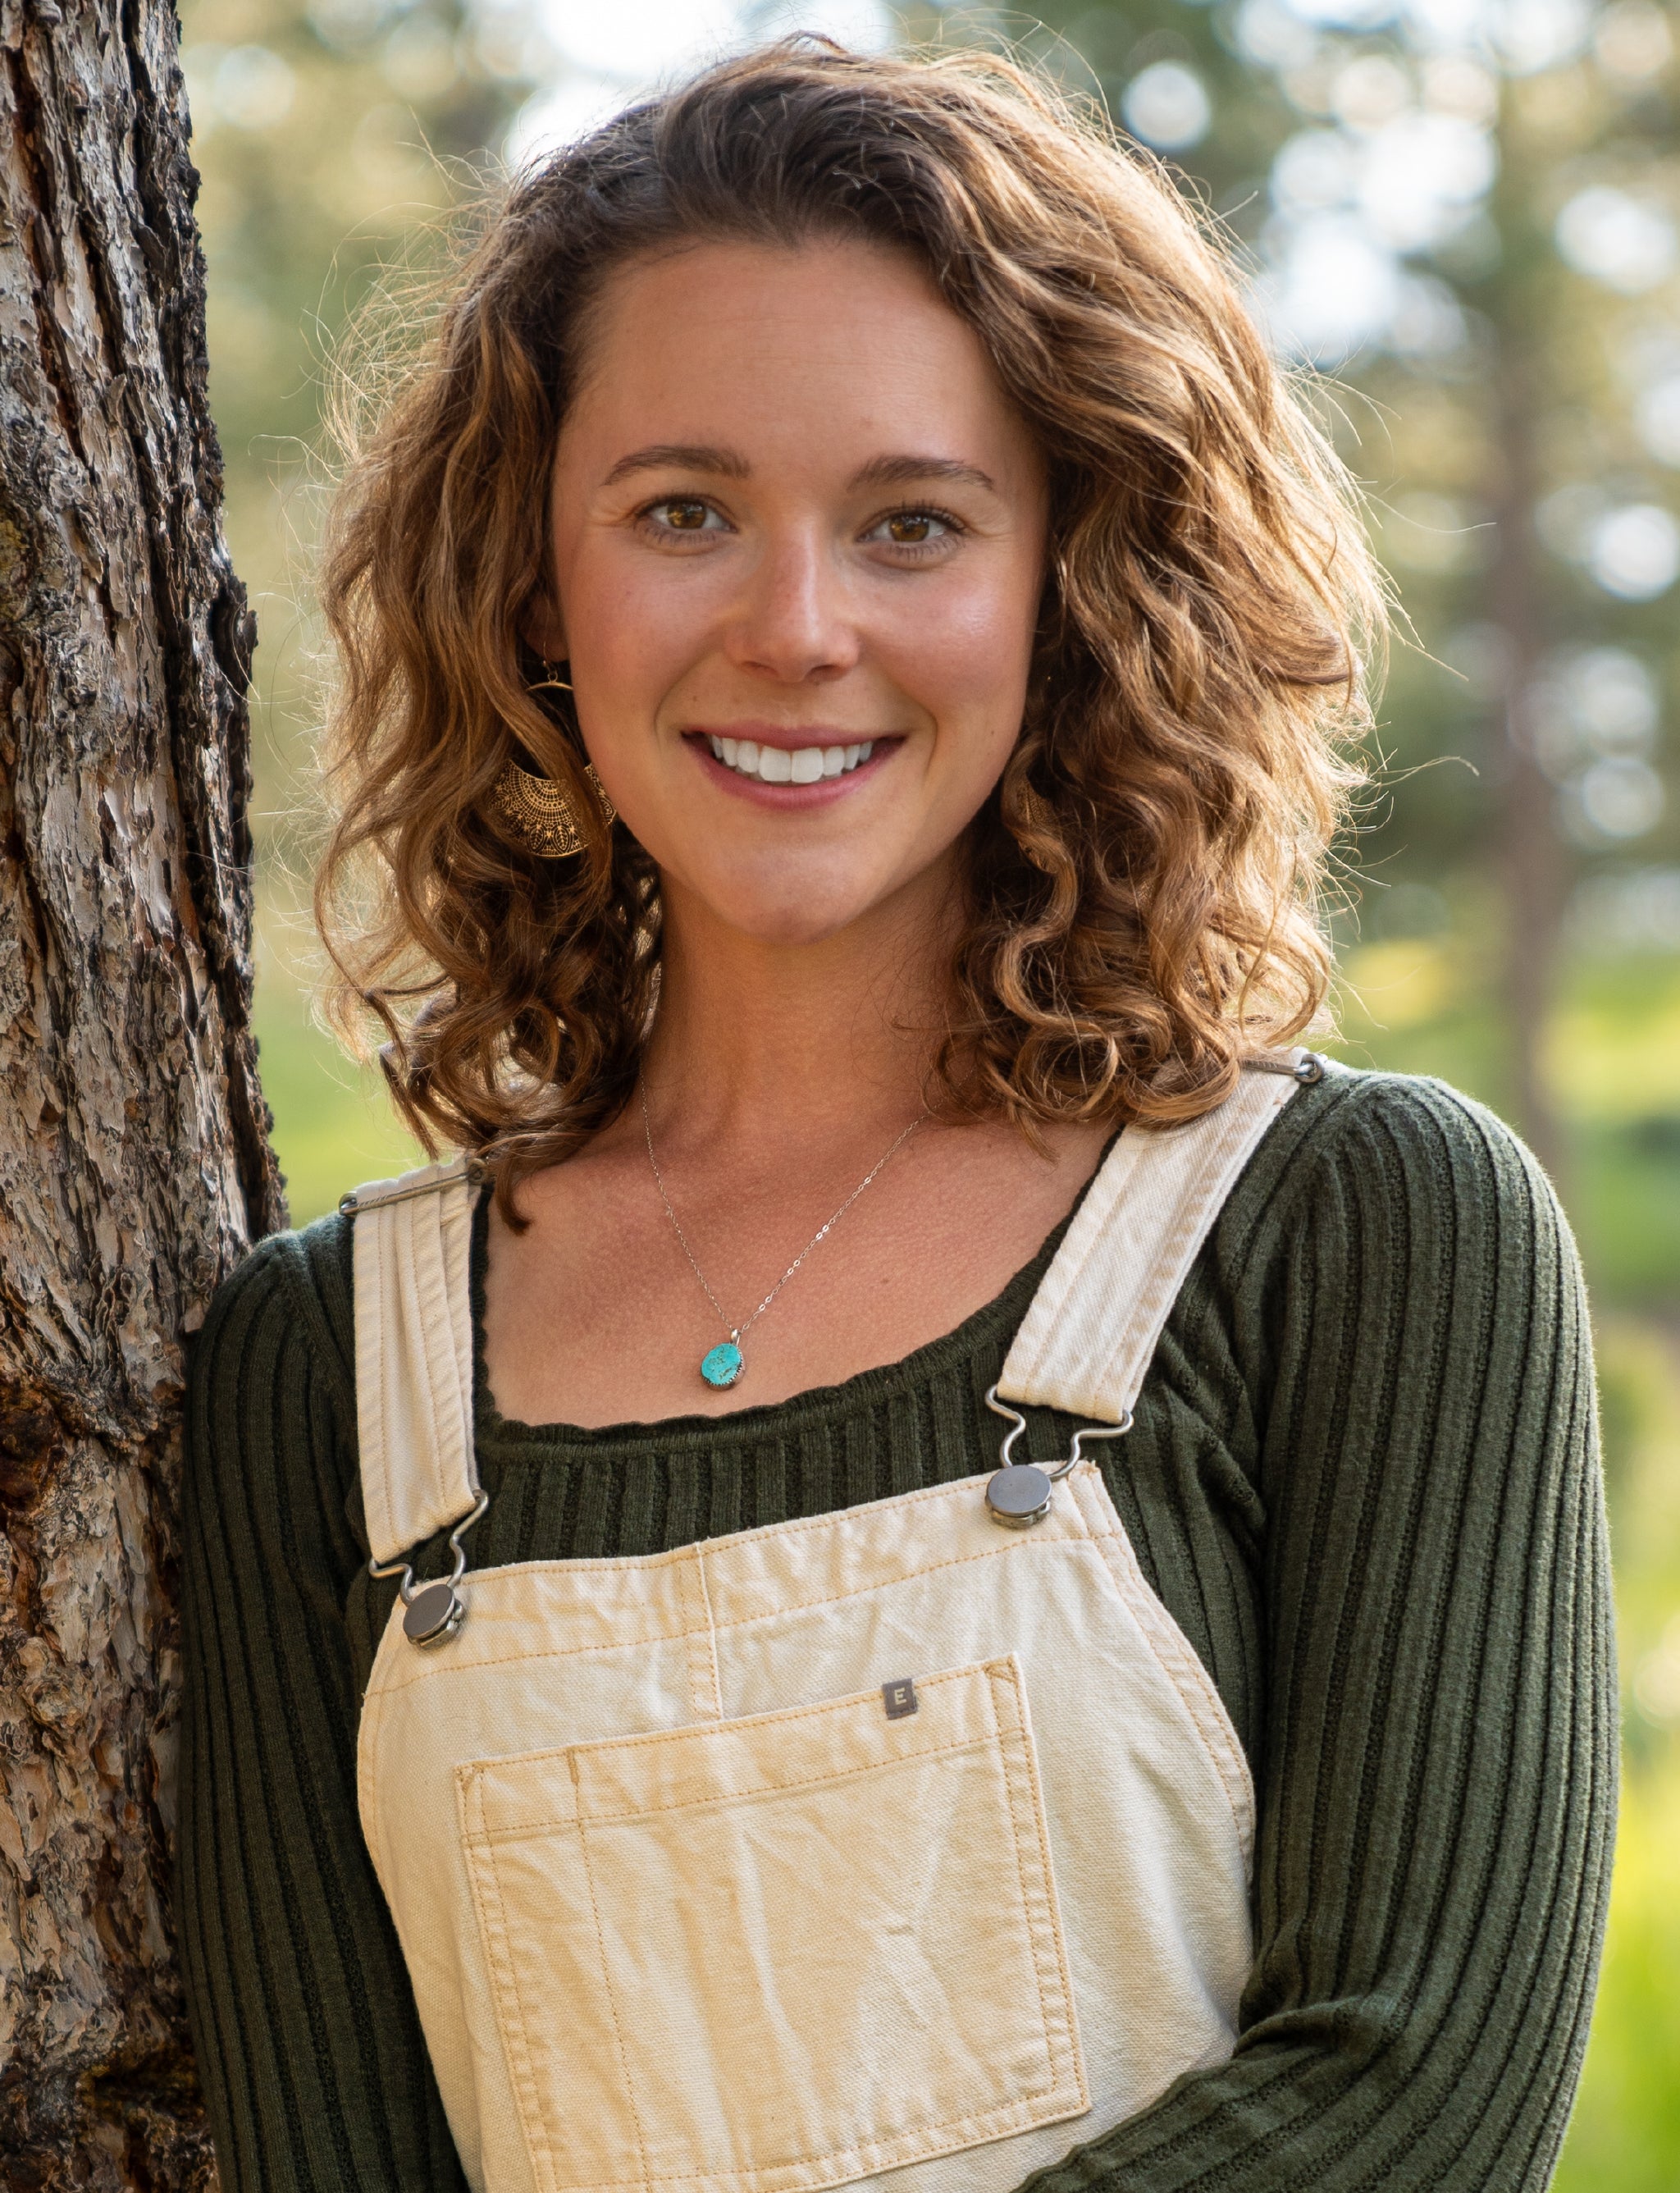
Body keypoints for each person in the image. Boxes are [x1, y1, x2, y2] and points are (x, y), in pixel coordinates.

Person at [176, 41, 1614, 2193]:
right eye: (685, 513)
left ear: (1074, 582)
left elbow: (1415, 2092)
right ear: (534, 582)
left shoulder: (1351, 1229)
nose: (795, 627)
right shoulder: (325, 1379)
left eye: (913, 523)